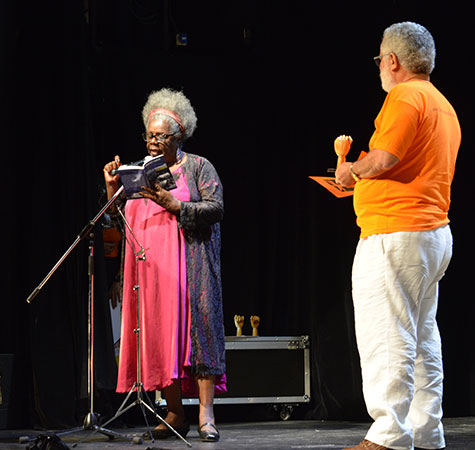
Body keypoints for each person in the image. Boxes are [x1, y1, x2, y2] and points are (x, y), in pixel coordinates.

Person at [335, 22, 460, 450]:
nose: (379, 68)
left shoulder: (405, 96)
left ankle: (388, 435)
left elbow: (385, 158)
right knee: (421, 337)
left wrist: (352, 172)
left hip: (397, 232)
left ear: (391, 60)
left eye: (379, 60)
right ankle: (426, 431)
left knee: (386, 332)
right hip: (430, 232)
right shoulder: (442, 103)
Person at [103, 88, 226, 442]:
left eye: (161, 136)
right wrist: (112, 190)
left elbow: (216, 208)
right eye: (149, 135)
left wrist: (176, 205)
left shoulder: (199, 167)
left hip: (191, 270)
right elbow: (119, 222)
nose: (153, 142)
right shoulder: (138, 171)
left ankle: (205, 414)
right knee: (158, 338)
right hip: (151, 273)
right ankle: (175, 412)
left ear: (179, 135)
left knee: (199, 335)